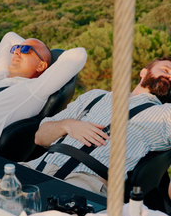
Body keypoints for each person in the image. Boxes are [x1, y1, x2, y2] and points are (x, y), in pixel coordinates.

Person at [25, 56, 171, 196]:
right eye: (165, 70)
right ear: (144, 72)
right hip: (37, 167)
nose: (169, 76)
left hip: (87, 183)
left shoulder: (164, 114)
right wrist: (68, 125)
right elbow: (40, 137)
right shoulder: (95, 96)